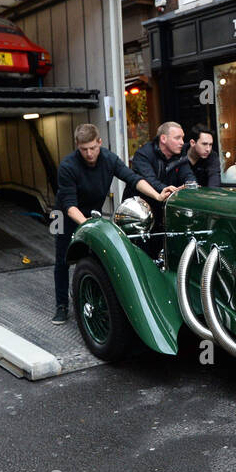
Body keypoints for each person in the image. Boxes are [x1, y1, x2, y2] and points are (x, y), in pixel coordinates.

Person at [52, 123, 153, 324]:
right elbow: (70, 205)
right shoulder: (67, 166)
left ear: (100, 142)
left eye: (93, 148)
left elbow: (132, 178)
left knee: (94, 255)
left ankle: (93, 293)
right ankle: (61, 305)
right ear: (77, 146)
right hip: (62, 214)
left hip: (91, 210)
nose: (89, 154)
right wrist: (86, 225)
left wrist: (157, 195)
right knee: (62, 259)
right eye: (84, 150)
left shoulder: (109, 159)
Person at [129, 121, 193, 205]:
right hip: (140, 207)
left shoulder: (180, 154)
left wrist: (191, 186)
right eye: (177, 138)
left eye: (182, 138)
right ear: (163, 139)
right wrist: (174, 191)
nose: (182, 142)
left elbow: (188, 175)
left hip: (166, 204)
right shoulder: (143, 154)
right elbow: (151, 181)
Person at [185, 123, 221, 187]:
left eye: (210, 144)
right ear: (192, 143)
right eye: (204, 144)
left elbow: (214, 180)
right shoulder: (180, 153)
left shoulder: (212, 156)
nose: (208, 149)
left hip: (204, 194)